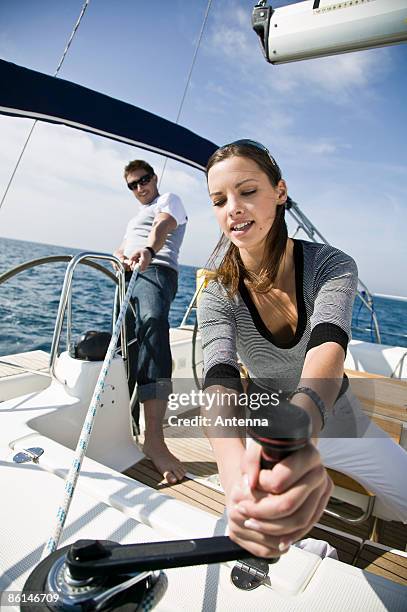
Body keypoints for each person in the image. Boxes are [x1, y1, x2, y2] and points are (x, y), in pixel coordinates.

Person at [197, 139, 407, 558]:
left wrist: (300, 432)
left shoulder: (332, 265)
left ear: (280, 191)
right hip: (267, 430)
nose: (233, 208)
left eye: (248, 191)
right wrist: (233, 467)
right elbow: (218, 377)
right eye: (219, 200)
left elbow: (327, 346)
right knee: (249, 530)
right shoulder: (216, 291)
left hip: (338, 420)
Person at [114, 159, 187, 484]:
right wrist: (121, 256)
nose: (140, 187)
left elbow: (163, 225)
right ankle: (128, 425)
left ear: (154, 178)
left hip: (155, 269)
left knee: (154, 328)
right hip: (127, 277)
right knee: (127, 346)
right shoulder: (132, 220)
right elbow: (122, 247)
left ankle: (154, 439)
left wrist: (147, 249)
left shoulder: (168, 199)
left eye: (144, 180)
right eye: (133, 184)